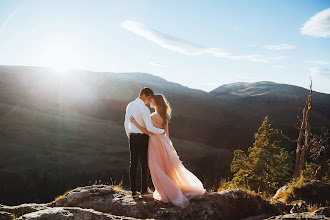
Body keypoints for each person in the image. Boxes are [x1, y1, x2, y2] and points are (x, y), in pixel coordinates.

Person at [129, 94, 206, 208]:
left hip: (154, 142)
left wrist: (135, 123)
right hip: (163, 142)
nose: (150, 101)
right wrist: (168, 147)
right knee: (166, 168)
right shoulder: (164, 116)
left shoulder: (153, 116)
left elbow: (148, 131)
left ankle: (166, 192)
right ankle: (168, 190)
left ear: (157, 103)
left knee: (157, 168)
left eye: (152, 100)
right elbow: (166, 134)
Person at [124, 88, 165, 198]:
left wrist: (131, 136)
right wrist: (162, 131)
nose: (150, 100)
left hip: (132, 136)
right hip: (143, 138)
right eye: (150, 98)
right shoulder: (144, 109)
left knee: (133, 164)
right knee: (144, 164)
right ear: (146, 96)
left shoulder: (130, 105)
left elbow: (126, 123)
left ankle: (133, 191)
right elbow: (150, 128)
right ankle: (143, 191)